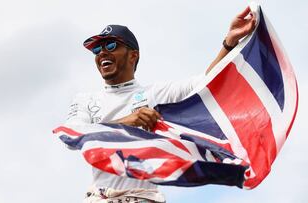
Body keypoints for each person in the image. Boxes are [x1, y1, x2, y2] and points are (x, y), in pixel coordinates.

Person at [65, 7, 256, 203]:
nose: (102, 52)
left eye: (111, 46)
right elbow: (71, 136)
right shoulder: (85, 100)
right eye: (97, 49)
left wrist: (230, 41)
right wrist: (127, 122)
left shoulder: (154, 94)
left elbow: (206, 82)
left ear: (133, 55)